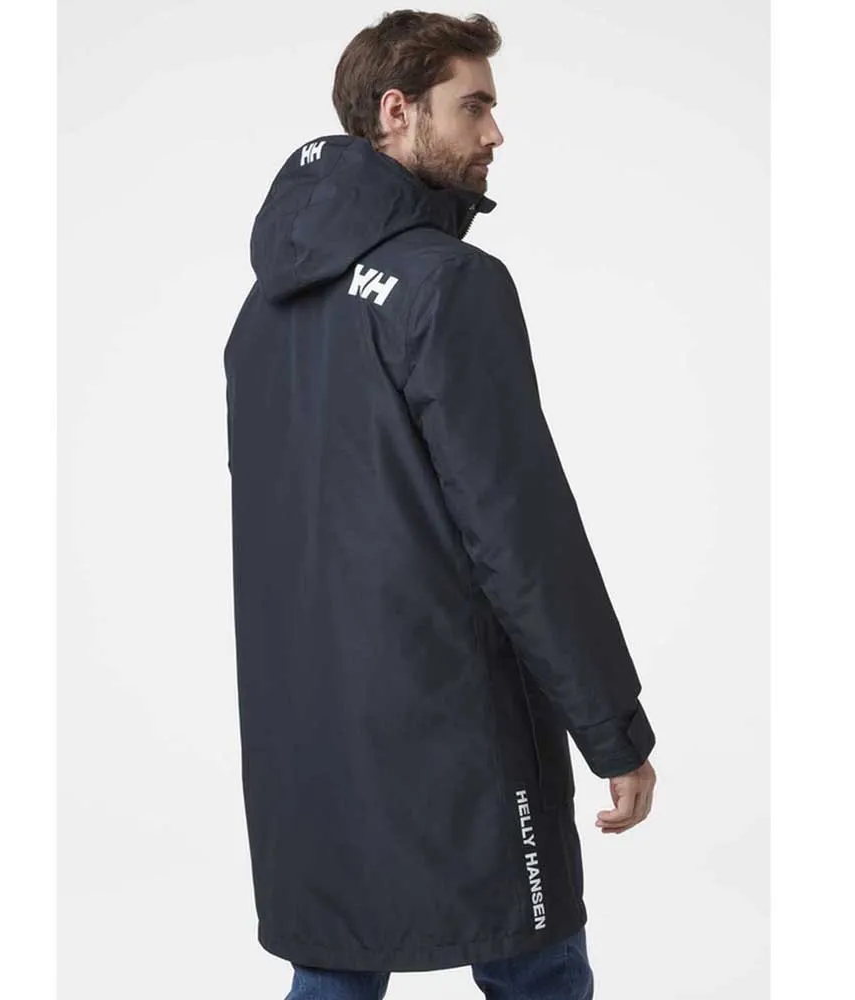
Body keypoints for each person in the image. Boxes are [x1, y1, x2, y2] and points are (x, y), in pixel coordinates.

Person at [223, 10, 657, 997]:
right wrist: (613, 729)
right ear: (397, 111)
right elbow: (519, 531)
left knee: (334, 967)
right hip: (457, 727)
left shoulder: (262, 312)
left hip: (306, 733)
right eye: (475, 107)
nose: (495, 133)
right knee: (534, 962)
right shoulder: (448, 285)